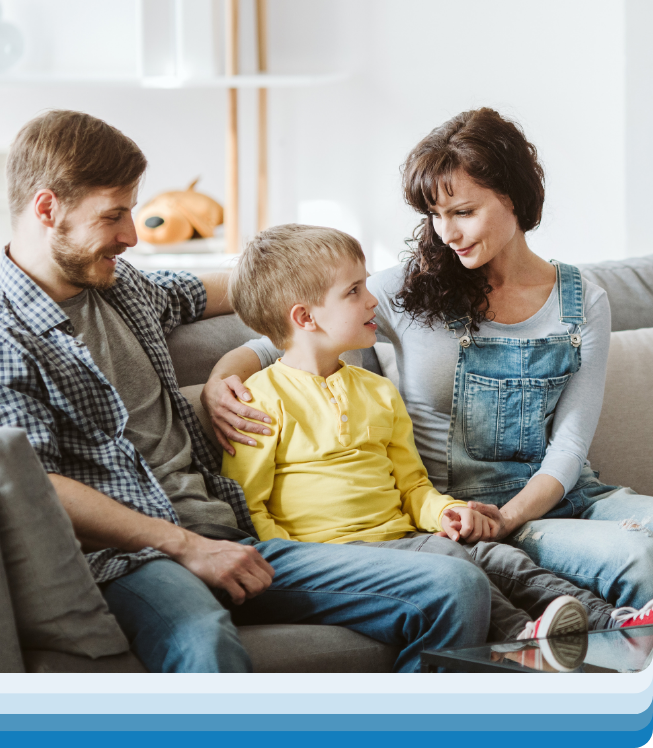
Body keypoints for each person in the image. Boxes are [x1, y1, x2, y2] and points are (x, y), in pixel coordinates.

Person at [0, 108, 494, 674]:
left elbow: (243, 289)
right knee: (202, 640)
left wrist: (235, 364)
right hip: (135, 562)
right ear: (48, 209)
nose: (130, 235)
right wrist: (185, 547)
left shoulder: (124, 291)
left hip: (240, 536)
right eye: (114, 215)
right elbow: (32, 487)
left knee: (457, 586)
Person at [202, 108, 653, 619]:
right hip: (465, 512)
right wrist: (222, 379)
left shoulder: (583, 300)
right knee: (641, 559)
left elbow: (570, 445)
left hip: (563, 495)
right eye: (435, 216)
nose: (447, 234)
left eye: (462, 212)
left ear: (513, 196)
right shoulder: (407, 289)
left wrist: (508, 518)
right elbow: (288, 331)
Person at [220, 222, 624, 646]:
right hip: (331, 557)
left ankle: (611, 623)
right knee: (450, 558)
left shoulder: (377, 390)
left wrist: (445, 514)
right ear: (305, 317)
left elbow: (413, 486)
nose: (373, 298)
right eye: (354, 291)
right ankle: (522, 638)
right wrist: (300, 561)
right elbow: (249, 506)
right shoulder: (258, 403)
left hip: (404, 540)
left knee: (499, 556)